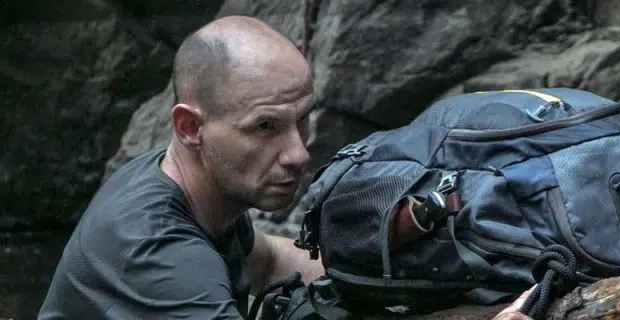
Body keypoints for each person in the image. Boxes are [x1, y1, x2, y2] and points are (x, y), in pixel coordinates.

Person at [38, 15, 534, 320]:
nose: (298, 153)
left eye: (302, 121)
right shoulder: (155, 252)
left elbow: (269, 260)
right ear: (190, 127)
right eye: (265, 127)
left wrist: (423, 266)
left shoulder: (194, 189)